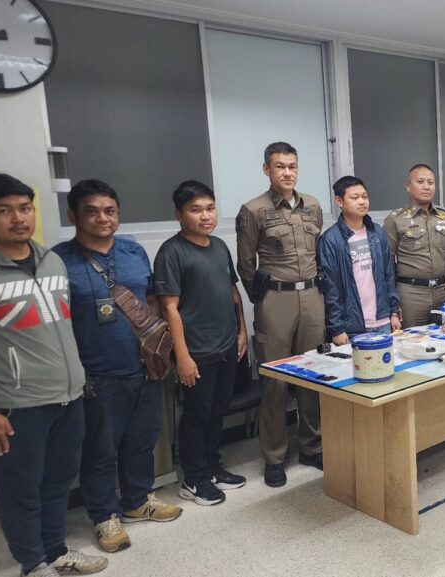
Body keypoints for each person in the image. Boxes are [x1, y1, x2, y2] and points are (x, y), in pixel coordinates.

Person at [0, 174, 108, 577]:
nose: (18, 218)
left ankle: (55, 551)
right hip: (17, 405)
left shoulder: (51, 261)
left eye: (25, 208)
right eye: (4, 211)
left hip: (69, 395)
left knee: (58, 481)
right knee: (21, 490)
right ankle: (33, 563)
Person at [53, 180, 182, 553]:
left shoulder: (132, 251)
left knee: (143, 439)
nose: (102, 218)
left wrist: (159, 349)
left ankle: (137, 500)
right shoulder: (59, 261)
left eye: (109, 211)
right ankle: (103, 515)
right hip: (97, 373)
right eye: (92, 211)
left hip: (144, 366)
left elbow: (151, 300)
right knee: (101, 449)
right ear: (73, 215)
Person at [236, 142, 324, 488]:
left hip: (312, 296)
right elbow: (246, 264)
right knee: (275, 380)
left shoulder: (312, 205)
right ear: (267, 170)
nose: (287, 173)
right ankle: (274, 456)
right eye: (280, 166)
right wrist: (263, 301)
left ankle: (312, 447)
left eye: (292, 166)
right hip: (276, 299)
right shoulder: (253, 210)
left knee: (314, 375)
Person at [155, 180, 248, 506]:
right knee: (196, 415)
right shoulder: (171, 252)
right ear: (179, 214)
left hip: (226, 345)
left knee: (218, 410)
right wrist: (181, 355)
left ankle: (212, 467)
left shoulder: (219, 246)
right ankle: (193, 479)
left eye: (210, 208)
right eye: (195, 210)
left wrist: (241, 331)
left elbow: (232, 292)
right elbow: (169, 308)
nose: (205, 216)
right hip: (196, 350)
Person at [318, 176, 401, 344]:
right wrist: (336, 328)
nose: (362, 201)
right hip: (351, 326)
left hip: (383, 321)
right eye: (355, 198)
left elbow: (388, 275)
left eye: (364, 196)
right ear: (339, 201)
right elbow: (330, 288)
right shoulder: (330, 239)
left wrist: (394, 312)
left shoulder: (377, 233)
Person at [383, 164, 445, 328]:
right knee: (411, 339)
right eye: (420, 182)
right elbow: (387, 265)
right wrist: (393, 305)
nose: (426, 186)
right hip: (411, 295)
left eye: (430, 182)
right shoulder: (396, 219)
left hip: (443, 292)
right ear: (408, 186)